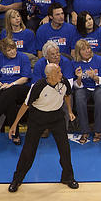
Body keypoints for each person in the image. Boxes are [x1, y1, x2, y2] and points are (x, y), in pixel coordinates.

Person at [8, 63, 77, 192]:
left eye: (61, 71)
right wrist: (15, 124)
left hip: (57, 117)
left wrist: (69, 111)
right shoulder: (38, 86)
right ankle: (16, 180)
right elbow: (25, 105)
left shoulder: (64, 82)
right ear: (49, 75)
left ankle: (68, 177)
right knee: (28, 151)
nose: (61, 74)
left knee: (65, 149)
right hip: (38, 118)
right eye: (58, 73)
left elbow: (67, 95)